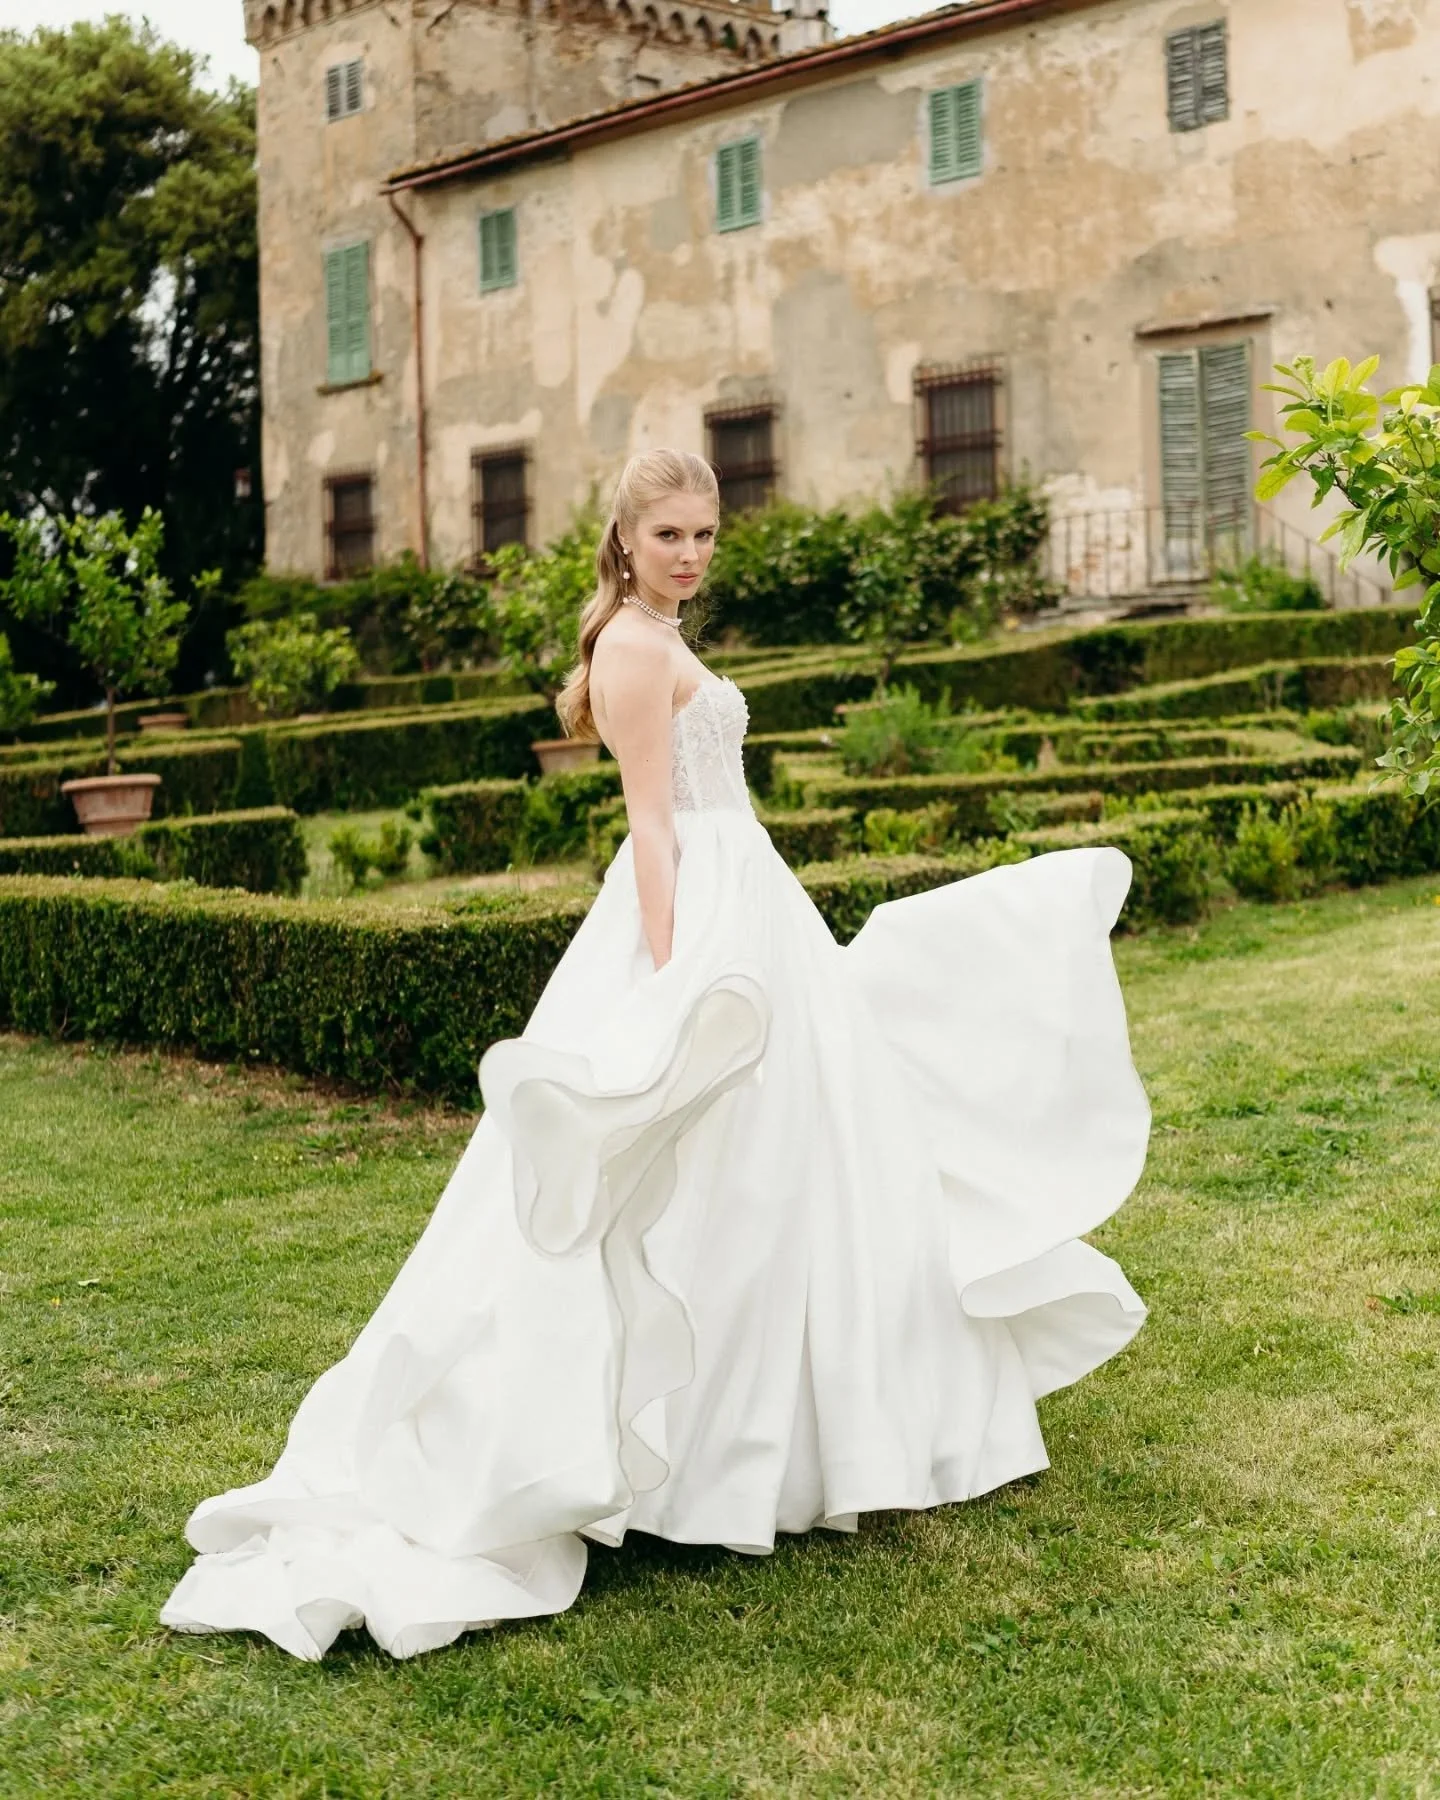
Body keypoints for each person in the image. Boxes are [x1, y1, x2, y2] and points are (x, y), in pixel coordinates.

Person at [160, 448, 1150, 1662]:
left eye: (705, 534)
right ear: (623, 539)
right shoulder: (631, 646)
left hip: (755, 898)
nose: (690, 554)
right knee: (705, 1172)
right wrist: (680, 976)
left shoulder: (662, 633)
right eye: (669, 535)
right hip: (699, 910)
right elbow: (650, 821)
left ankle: (805, 1431)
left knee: (808, 1164)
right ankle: (693, 1455)